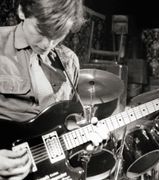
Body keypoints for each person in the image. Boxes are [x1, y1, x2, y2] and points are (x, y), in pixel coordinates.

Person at [0, 0, 107, 179]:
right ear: (21, 12)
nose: (47, 44)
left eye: (58, 35)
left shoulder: (68, 61)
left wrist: (86, 138)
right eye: (41, 32)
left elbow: (64, 127)